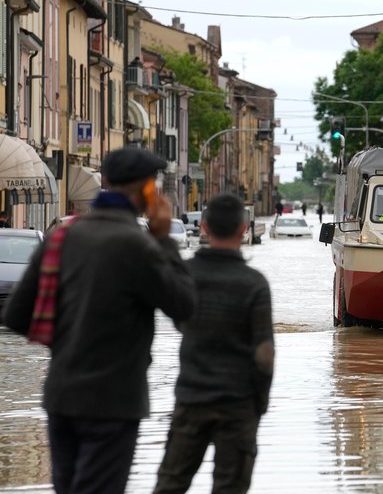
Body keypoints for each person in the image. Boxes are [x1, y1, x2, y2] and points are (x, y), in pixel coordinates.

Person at [2, 148, 196, 494]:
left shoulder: (62, 236)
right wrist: (164, 238)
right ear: (146, 188)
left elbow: (17, 316)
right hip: (115, 400)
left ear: (105, 182)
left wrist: (69, 340)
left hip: (61, 395)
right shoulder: (140, 245)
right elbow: (185, 308)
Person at [154, 193, 274, 494]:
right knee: (230, 487)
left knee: (171, 483)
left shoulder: (186, 274)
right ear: (244, 228)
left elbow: (177, 317)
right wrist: (260, 402)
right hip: (239, 402)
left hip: (191, 398)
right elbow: (264, 353)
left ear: (204, 227)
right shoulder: (254, 283)